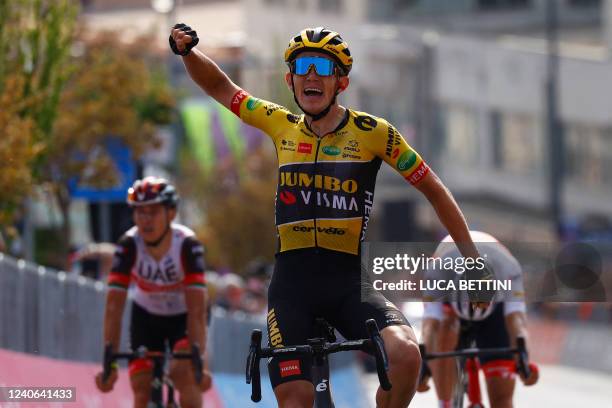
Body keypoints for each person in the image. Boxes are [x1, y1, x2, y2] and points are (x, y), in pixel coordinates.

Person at [170, 24, 490, 408]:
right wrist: (187, 53)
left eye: (323, 67)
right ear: (289, 79)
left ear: (341, 82)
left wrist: (472, 261)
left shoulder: (375, 133)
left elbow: (434, 190)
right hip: (293, 287)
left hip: (350, 283)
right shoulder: (279, 124)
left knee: (406, 355)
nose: (311, 75)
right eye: (303, 66)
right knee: (296, 401)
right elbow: (222, 88)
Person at [94, 177, 210, 408]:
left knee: (184, 375)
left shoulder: (187, 245)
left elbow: (197, 310)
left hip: (184, 317)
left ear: (171, 214)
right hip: (146, 315)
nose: (145, 220)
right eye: (140, 213)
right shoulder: (128, 245)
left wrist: (199, 363)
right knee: (141, 388)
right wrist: (110, 363)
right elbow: (114, 307)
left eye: (153, 212)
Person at [418, 231, 539, 408]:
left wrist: (524, 361)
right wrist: (424, 365)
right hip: (450, 309)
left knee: (501, 398)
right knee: (444, 331)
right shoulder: (437, 273)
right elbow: (430, 326)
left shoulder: (509, 270)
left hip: (496, 308)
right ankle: (445, 403)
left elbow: (517, 323)